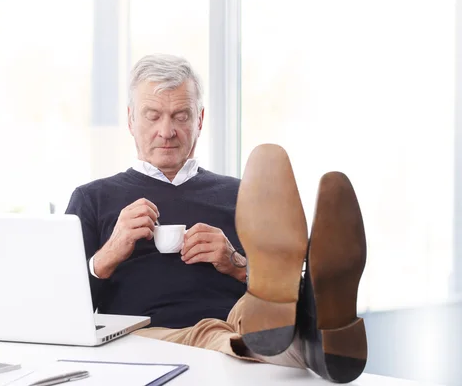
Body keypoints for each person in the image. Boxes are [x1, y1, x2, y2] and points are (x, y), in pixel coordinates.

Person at [65, 54, 367, 383]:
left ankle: (315, 306)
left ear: (200, 120)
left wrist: (235, 263)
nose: (166, 131)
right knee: (228, 337)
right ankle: (321, 333)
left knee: (262, 312)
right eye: (153, 116)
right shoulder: (93, 199)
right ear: (130, 120)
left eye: (181, 116)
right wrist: (107, 256)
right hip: (149, 334)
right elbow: (60, 313)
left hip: (245, 320)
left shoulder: (243, 195)